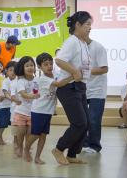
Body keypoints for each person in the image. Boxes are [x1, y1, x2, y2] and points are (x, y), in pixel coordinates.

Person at [51, 11, 92, 165]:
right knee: (79, 123)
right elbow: (59, 60)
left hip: (80, 87)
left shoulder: (82, 43)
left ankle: (72, 154)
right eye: (87, 24)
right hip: (68, 87)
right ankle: (58, 149)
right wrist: (74, 71)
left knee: (86, 123)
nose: (90, 27)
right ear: (78, 25)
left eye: (90, 24)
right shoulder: (72, 41)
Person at [23, 53, 72, 165]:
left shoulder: (55, 74)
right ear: (39, 67)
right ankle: (26, 149)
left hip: (48, 111)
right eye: (46, 64)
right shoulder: (43, 79)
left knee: (43, 135)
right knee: (36, 134)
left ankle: (37, 157)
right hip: (39, 111)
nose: (49, 66)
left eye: (51, 63)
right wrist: (73, 75)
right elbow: (59, 84)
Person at [82, 37, 108, 154]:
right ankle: (84, 143)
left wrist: (86, 71)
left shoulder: (98, 47)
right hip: (82, 88)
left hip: (97, 90)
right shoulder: (77, 47)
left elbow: (104, 69)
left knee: (94, 119)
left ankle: (94, 145)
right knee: (83, 119)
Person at [13, 56, 40, 158]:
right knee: (20, 133)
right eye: (27, 66)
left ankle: (26, 149)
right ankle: (20, 147)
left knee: (30, 133)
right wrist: (34, 96)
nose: (30, 67)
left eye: (32, 65)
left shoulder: (37, 80)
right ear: (22, 68)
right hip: (21, 112)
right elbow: (23, 94)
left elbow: (38, 92)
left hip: (33, 112)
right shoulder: (21, 81)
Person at [0, 61, 19, 145]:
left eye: (15, 70)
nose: (13, 72)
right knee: (3, 123)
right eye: (11, 70)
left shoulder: (18, 80)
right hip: (3, 106)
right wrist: (13, 99)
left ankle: (15, 139)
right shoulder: (5, 81)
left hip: (13, 106)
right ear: (6, 71)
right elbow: (5, 94)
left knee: (15, 123)